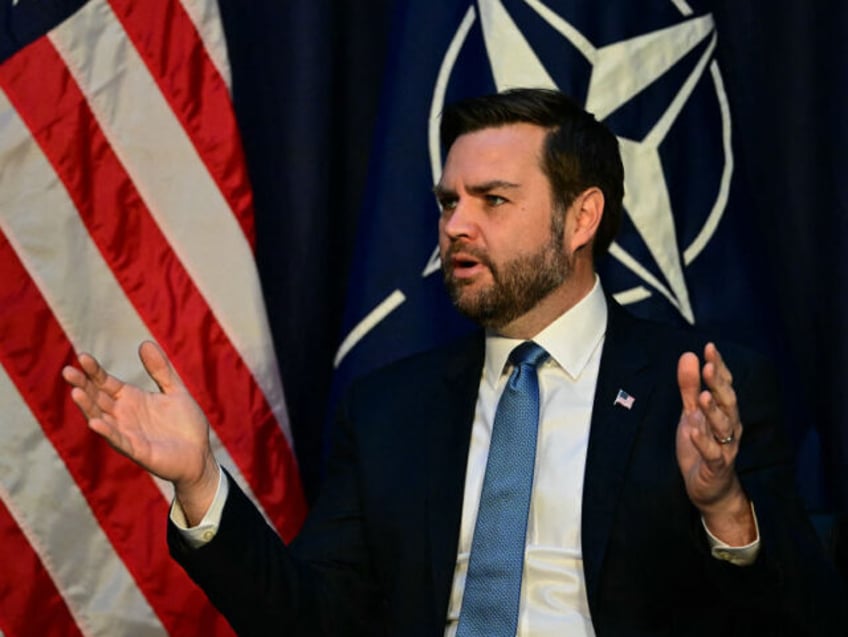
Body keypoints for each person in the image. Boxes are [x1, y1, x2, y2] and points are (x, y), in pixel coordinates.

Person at [63, 88, 846, 636]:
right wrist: (200, 484)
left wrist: (722, 507)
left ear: (582, 218)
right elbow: (311, 621)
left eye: (493, 200)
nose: (456, 226)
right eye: (447, 201)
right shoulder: (387, 411)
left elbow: (799, 619)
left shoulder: (702, 391)